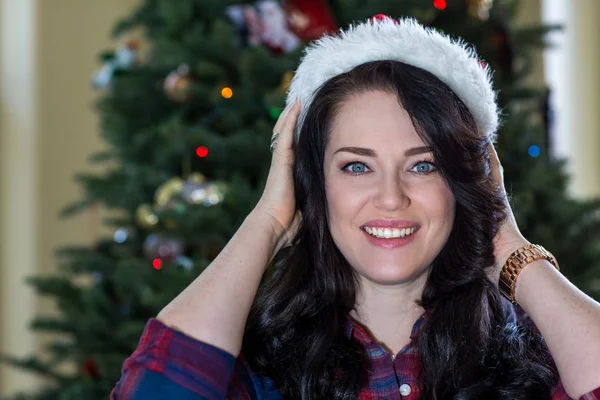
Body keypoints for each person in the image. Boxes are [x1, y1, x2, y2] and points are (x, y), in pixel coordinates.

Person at [111, 17, 600, 399]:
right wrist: (267, 222)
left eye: (423, 166)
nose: (391, 198)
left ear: (463, 184)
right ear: (313, 186)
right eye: (356, 167)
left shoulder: (538, 365)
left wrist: (507, 245)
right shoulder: (259, 376)